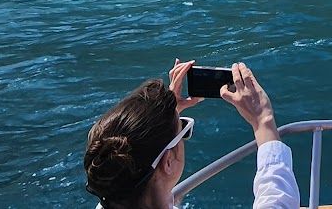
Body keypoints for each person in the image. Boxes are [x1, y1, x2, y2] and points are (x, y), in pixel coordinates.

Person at [84, 60, 298, 209]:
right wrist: (264, 123)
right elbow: (277, 203)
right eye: (184, 131)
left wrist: (169, 116)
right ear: (168, 162)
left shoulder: (111, 195)